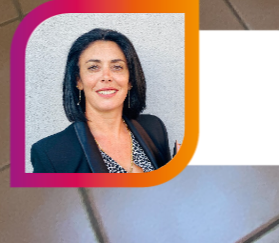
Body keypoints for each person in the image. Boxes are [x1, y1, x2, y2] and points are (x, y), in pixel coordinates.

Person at [29, 28, 175, 174]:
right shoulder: (50, 154)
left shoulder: (154, 128)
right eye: (93, 67)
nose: (106, 76)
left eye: (117, 67)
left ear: (130, 80)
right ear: (78, 81)